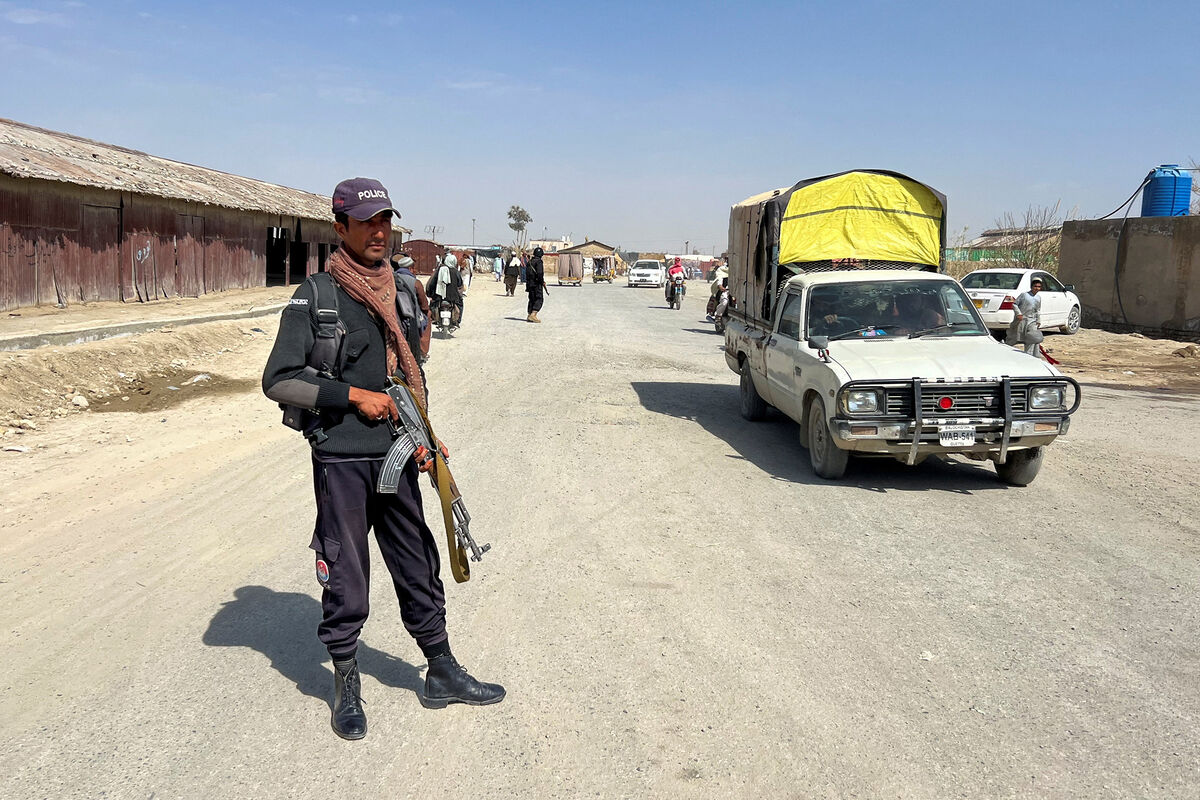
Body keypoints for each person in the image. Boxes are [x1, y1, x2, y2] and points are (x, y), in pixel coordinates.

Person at [262, 177, 504, 741]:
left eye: (385, 221)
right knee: (346, 572)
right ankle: (345, 679)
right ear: (340, 227)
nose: (379, 231)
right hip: (342, 460)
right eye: (366, 222)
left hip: (398, 453)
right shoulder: (316, 296)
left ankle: (440, 669)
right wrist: (352, 396)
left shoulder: (401, 290)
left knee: (418, 560)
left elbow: (409, 376)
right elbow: (279, 380)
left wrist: (426, 435)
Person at [390, 252, 432, 364]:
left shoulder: (391, 278)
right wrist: (426, 310)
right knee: (428, 316)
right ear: (410, 268)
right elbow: (424, 305)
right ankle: (422, 351)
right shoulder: (415, 282)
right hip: (411, 315)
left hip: (394, 313)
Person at [1007, 277, 1044, 356]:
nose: (1037, 288)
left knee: (1032, 337)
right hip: (1022, 320)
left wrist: (1038, 320)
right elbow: (1015, 304)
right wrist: (1018, 314)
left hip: (1032, 321)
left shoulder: (1038, 298)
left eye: (1039, 287)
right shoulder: (1024, 295)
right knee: (1015, 338)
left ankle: (1032, 356)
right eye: (1035, 286)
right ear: (1031, 287)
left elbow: (1038, 310)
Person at [431, 253, 464, 328]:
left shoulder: (439, 270)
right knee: (460, 304)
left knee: (433, 304)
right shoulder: (456, 272)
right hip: (453, 296)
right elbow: (460, 284)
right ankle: (457, 321)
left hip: (439, 296)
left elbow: (433, 283)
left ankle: (434, 319)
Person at [525, 245, 546, 323]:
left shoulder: (530, 262)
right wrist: (542, 281)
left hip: (529, 284)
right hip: (536, 284)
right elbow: (540, 273)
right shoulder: (539, 262)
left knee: (532, 299)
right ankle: (533, 315)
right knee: (539, 299)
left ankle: (529, 314)